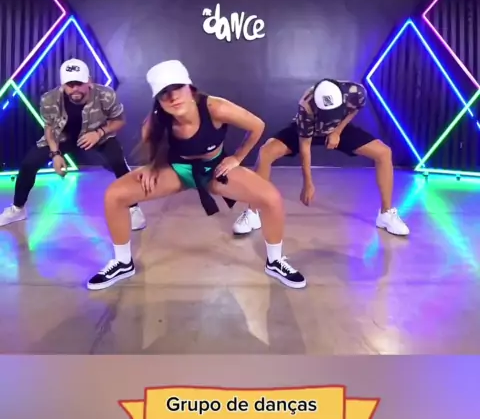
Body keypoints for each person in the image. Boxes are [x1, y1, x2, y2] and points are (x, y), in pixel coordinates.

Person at [87, 59, 306, 291]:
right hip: (176, 170)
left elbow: (257, 125)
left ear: (190, 88)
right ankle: (123, 263)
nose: (173, 97)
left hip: (214, 169)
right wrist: (151, 166)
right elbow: (149, 139)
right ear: (158, 100)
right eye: (164, 93)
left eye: (177, 88)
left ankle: (275, 261)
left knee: (271, 198)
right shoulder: (155, 120)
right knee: (115, 195)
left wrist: (237, 158)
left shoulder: (216, 108)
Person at [232, 78, 410, 237]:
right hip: (307, 131)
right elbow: (305, 147)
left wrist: (337, 131)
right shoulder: (306, 106)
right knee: (266, 152)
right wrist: (308, 183)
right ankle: (252, 213)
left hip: (337, 130)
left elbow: (355, 109)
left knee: (383, 152)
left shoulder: (355, 92)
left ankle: (386, 214)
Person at [0, 58, 146, 232]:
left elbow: (119, 121)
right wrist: (55, 154)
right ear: (63, 85)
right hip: (62, 137)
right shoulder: (49, 99)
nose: (75, 89)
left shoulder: (106, 95)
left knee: (117, 162)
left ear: (89, 81)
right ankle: (17, 209)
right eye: (70, 84)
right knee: (28, 164)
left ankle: (133, 208)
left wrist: (99, 133)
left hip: (97, 134)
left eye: (79, 83)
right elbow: (49, 128)